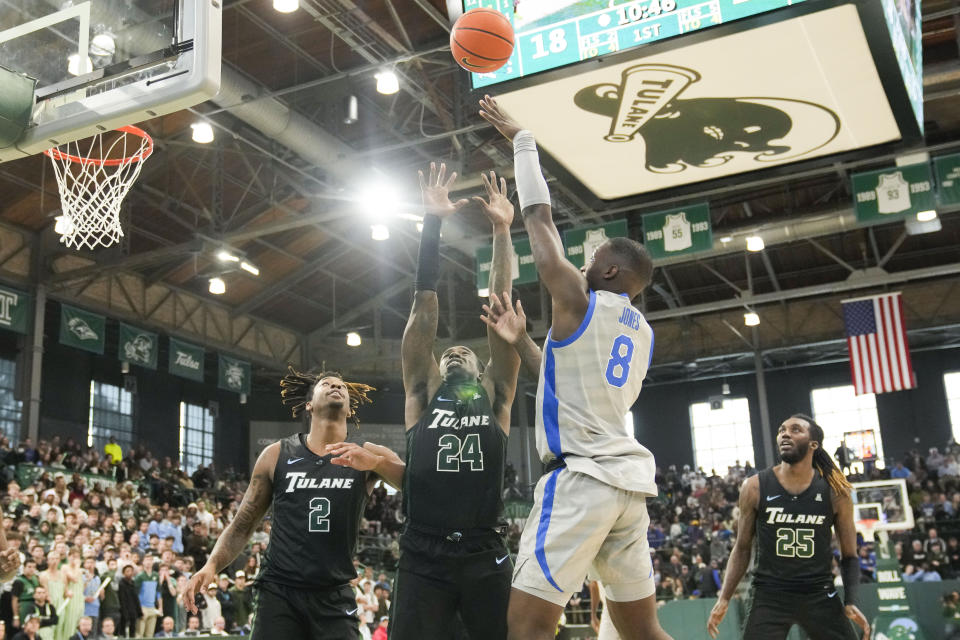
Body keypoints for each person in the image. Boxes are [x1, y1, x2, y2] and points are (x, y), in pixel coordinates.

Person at [478, 96, 668, 640]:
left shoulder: (582, 302)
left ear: (607, 269)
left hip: (582, 480)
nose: (580, 264)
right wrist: (523, 345)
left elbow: (540, 222)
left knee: (526, 625)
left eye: (590, 259)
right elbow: (575, 388)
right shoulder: (642, 332)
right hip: (629, 486)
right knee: (643, 633)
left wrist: (522, 140)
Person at [385, 161, 519, 640]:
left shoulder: (496, 397)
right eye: (449, 352)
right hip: (424, 553)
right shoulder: (421, 396)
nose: (456, 352)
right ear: (438, 366)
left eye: (467, 351)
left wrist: (503, 229)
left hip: (485, 549)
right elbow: (423, 308)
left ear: (484, 372)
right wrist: (433, 222)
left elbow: (500, 302)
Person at [183, 370, 404, 640]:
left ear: (349, 409)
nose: (336, 385)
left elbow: (415, 485)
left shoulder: (367, 453)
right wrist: (211, 566)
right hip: (279, 591)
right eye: (326, 384)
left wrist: (378, 464)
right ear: (309, 404)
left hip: (334, 592)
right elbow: (243, 524)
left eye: (341, 386)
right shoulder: (276, 454)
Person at [706, 414, 871, 640]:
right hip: (769, 594)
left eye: (795, 430)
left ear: (814, 444)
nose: (785, 433)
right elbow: (742, 548)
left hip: (819, 593)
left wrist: (851, 601)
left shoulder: (835, 493)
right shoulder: (754, 487)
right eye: (782, 429)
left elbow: (849, 555)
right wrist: (724, 597)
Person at [135, 555, 160, 637]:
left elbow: (158, 592)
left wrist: (160, 607)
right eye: (147, 560)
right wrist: (139, 608)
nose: (149, 562)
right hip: (142, 607)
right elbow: (136, 594)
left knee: (150, 635)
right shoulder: (139, 576)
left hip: (153, 608)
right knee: (139, 634)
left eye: (150, 560)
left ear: (153, 562)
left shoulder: (156, 575)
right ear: (143, 562)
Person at [12, 560, 39, 627]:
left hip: (35, 607)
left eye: (34, 567)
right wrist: (16, 617)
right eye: (29, 567)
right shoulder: (19, 581)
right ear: (24, 567)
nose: (32, 569)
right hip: (24, 607)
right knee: (24, 628)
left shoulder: (35, 579)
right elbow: (14, 600)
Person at [117, 564, 140, 638]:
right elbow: (122, 599)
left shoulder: (133, 583)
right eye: (127, 571)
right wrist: (125, 613)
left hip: (133, 611)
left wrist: (139, 611)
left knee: (133, 631)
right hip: (125, 611)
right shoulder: (121, 584)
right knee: (123, 631)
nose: (130, 573)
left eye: (131, 571)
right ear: (124, 573)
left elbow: (136, 598)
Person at [81, 558, 100, 635]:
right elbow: (80, 591)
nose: (90, 565)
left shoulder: (97, 578)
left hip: (95, 609)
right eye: (88, 562)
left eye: (92, 562)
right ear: (84, 565)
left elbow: (100, 595)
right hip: (84, 609)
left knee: (93, 633)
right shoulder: (81, 577)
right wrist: (87, 580)